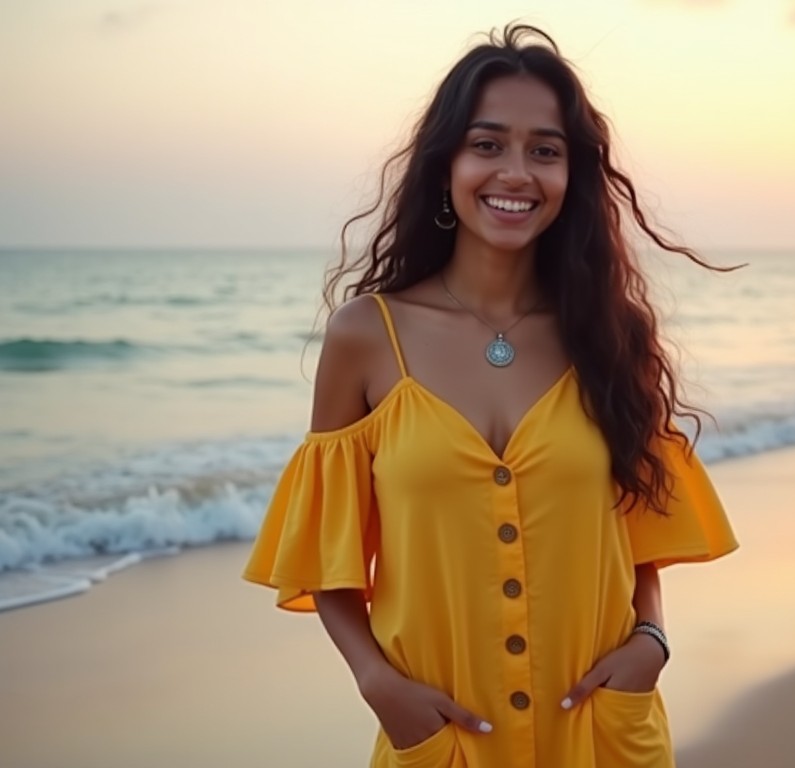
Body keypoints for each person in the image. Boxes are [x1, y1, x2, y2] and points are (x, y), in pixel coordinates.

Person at [243, 22, 738, 768]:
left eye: (545, 150)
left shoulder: (608, 336)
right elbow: (325, 552)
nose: (516, 172)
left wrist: (651, 639)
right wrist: (379, 685)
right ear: (446, 164)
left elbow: (639, 534)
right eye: (488, 144)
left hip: (601, 734)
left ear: (573, 178)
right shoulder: (367, 336)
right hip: (445, 740)